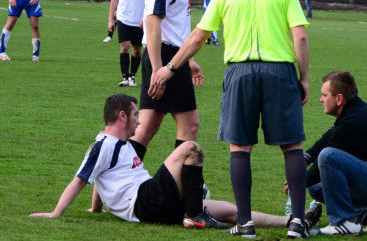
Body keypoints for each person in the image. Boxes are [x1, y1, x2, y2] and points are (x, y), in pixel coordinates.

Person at [150, 0, 310, 239]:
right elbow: (299, 37)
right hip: (280, 71)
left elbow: (198, 37)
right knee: (292, 146)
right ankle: (298, 222)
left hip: (239, 72)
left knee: (240, 147)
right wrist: (303, 78)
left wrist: (170, 68)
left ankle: (246, 222)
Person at [29, 93, 292, 229]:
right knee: (191, 148)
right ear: (122, 116)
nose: (139, 120)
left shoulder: (119, 146)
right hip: (145, 200)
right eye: (135, 115)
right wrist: (55, 213)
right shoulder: (104, 145)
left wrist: (96, 208)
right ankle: (194, 213)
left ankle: (292, 221)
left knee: (229, 210)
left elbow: (99, 176)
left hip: (154, 205)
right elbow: (81, 179)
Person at [303, 71, 367, 236]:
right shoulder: (355, 112)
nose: (321, 99)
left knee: (328, 156)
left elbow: (326, 156)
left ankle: (343, 222)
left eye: (324, 95)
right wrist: (306, 157)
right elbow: (330, 135)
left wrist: (298, 182)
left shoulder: (354, 121)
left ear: (339, 99)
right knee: (317, 189)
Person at [132, 0, 203, 156]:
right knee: (190, 125)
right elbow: (152, 24)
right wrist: (158, 69)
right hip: (164, 59)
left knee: (146, 128)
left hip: (170, 57)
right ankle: (180, 185)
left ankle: (116, 179)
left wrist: (189, 61)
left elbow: (174, 26)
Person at [109, 0, 150, 87]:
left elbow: (150, 1)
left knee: (137, 50)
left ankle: (133, 75)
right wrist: (111, 19)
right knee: (124, 47)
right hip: (123, 18)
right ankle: (125, 77)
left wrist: (145, 18)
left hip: (139, 21)